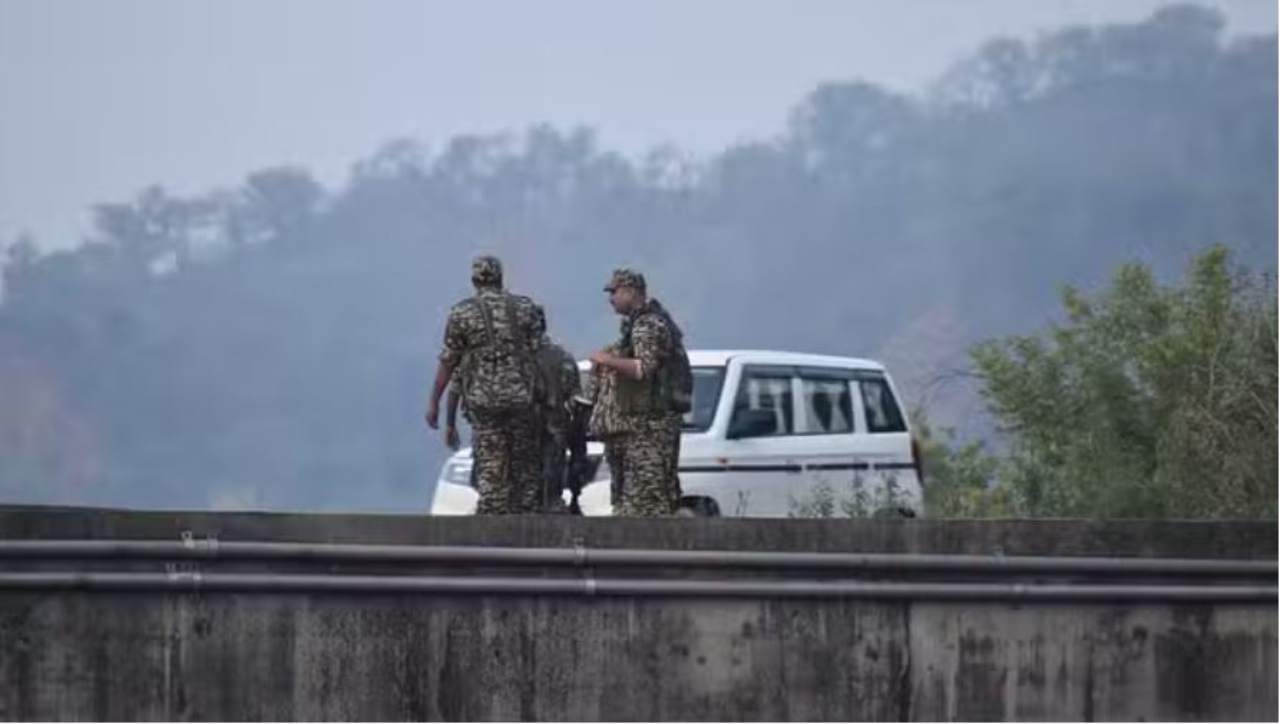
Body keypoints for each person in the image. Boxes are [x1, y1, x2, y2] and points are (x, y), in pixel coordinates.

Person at [426, 255, 542, 514]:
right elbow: (539, 355)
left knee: (491, 467)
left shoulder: (462, 313)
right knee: (523, 466)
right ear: (501, 279)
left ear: (474, 280)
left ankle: (494, 528)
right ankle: (528, 525)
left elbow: (449, 362)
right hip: (521, 399)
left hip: (484, 402)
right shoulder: (525, 308)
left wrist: (434, 403)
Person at [589, 268, 691, 516]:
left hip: (651, 425)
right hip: (644, 423)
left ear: (631, 292)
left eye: (614, 292)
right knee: (642, 500)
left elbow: (642, 369)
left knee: (645, 503)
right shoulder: (639, 324)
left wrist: (607, 360)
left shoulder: (647, 324)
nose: (611, 298)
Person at [531, 305, 580, 512]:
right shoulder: (563, 357)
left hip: (525, 430)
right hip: (556, 428)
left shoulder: (517, 358)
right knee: (551, 491)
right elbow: (575, 399)